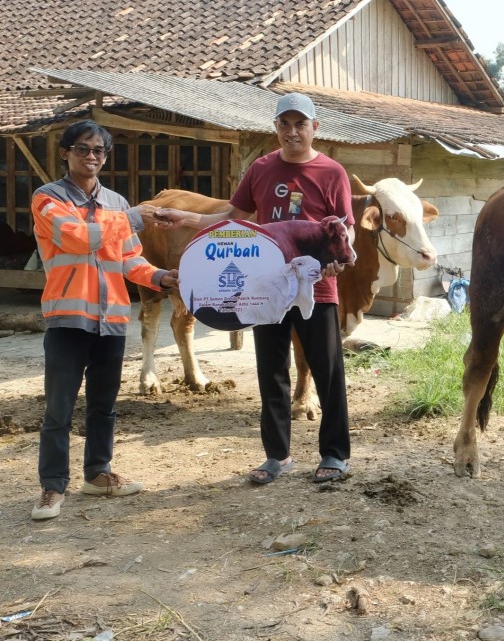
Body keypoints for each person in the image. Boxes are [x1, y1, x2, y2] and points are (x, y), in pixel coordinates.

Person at [152, 92, 354, 485]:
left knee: (328, 372)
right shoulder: (261, 169)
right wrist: (184, 219)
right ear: (275, 127)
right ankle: (277, 455)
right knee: (271, 371)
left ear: (315, 127)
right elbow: (233, 217)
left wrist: (337, 264)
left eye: (300, 124)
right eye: (284, 124)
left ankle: (334, 454)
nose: (292, 132)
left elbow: (343, 232)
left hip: (317, 289)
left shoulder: (333, 173)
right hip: (267, 287)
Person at [32, 120, 179, 521]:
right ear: (65, 153)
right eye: (83, 149)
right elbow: (78, 237)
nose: (92, 156)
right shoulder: (48, 199)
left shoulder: (115, 203)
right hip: (68, 319)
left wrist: (160, 276)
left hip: (111, 318)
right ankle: (52, 487)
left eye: (99, 151)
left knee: (103, 405)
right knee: (59, 408)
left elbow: (129, 259)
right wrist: (135, 215)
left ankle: (97, 474)